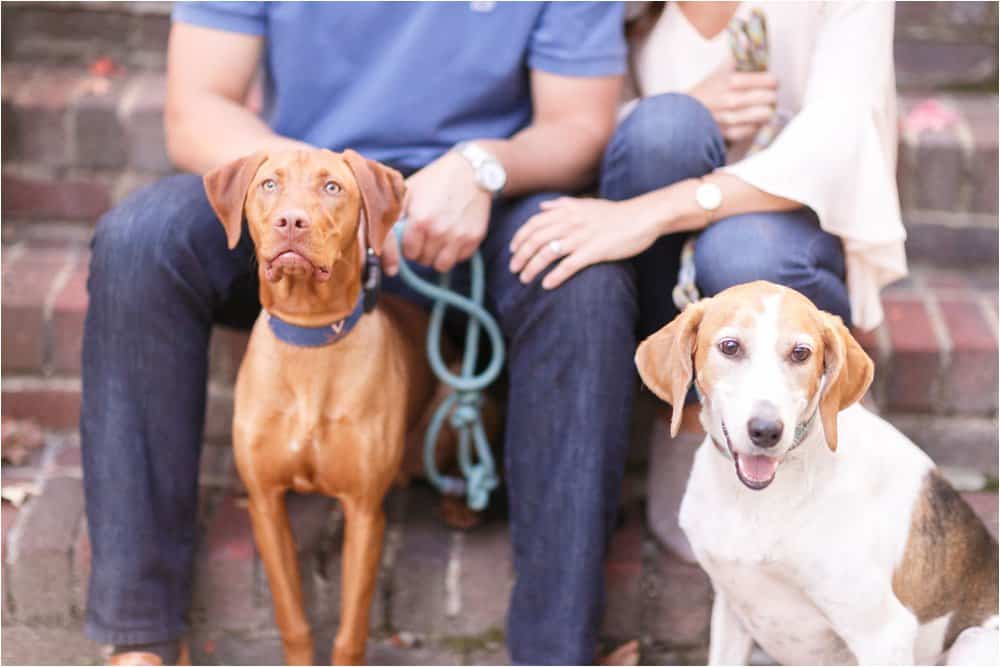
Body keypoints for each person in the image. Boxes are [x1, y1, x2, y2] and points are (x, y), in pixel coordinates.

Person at [81, 4, 632, 664]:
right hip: (305, 194)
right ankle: (139, 634)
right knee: (138, 242)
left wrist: (483, 166)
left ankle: (554, 651)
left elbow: (578, 123)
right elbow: (196, 106)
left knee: (584, 282)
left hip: (473, 205)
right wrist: (316, 197)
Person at [508, 1, 907, 558]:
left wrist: (656, 209)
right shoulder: (618, 13)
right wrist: (686, 108)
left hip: (783, 238)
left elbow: (838, 141)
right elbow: (574, 130)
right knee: (667, 127)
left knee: (742, 248)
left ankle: (804, 401)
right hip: (661, 272)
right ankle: (693, 398)